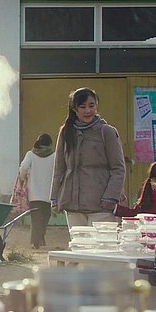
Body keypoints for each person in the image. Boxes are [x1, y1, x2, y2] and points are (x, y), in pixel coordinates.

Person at [50, 87, 126, 229]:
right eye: (82, 107)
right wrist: (54, 197)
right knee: (78, 242)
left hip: (101, 205)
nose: (88, 111)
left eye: (91, 106)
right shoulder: (66, 131)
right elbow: (59, 168)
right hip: (73, 205)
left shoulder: (107, 131)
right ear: (74, 109)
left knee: (100, 243)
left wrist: (110, 197)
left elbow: (118, 168)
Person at [18, 133, 56, 249]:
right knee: (45, 217)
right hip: (49, 194)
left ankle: (37, 240)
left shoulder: (30, 155)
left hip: (34, 193)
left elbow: (23, 168)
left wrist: (22, 178)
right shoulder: (54, 156)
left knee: (36, 218)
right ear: (50, 144)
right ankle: (38, 239)